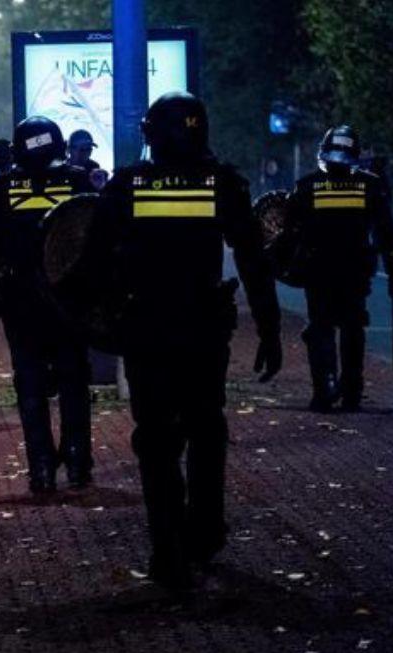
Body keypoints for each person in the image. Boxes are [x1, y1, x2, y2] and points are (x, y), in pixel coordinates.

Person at [87, 92, 282, 592]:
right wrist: (269, 328)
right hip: (204, 331)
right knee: (206, 429)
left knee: (156, 440)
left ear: (151, 134)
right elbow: (254, 261)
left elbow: (92, 260)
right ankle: (206, 531)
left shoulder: (128, 185)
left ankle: (168, 549)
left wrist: (97, 320)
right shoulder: (223, 184)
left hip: (147, 330)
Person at [0, 116, 95, 494]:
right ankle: (77, 462)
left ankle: (41, 467)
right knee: (74, 380)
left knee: (30, 386)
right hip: (69, 301)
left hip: (22, 304)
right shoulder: (76, 181)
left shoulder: (2, 188)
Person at [287, 125, 393, 412]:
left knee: (320, 327)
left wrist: (290, 267)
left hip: (318, 271)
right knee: (353, 328)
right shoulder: (371, 186)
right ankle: (352, 392)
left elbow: (290, 232)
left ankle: (323, 390)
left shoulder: (306, 186)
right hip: (355, 270)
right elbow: (387, 234)